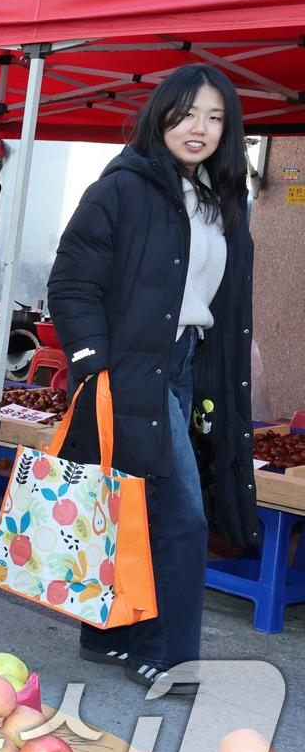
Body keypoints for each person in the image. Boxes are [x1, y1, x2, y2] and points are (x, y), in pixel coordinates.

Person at [48, 64, 255, 694]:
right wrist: (97, 364)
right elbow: (71, 281)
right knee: (183, 514)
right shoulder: (123, 187)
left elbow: (217, 299)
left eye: (215, 118)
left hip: (187, 364)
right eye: (188, 113)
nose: (200, 129)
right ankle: (168, 656)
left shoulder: (220, 199)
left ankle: (105, 635)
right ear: (161, 114)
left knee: (132, 497)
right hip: (136, 367)